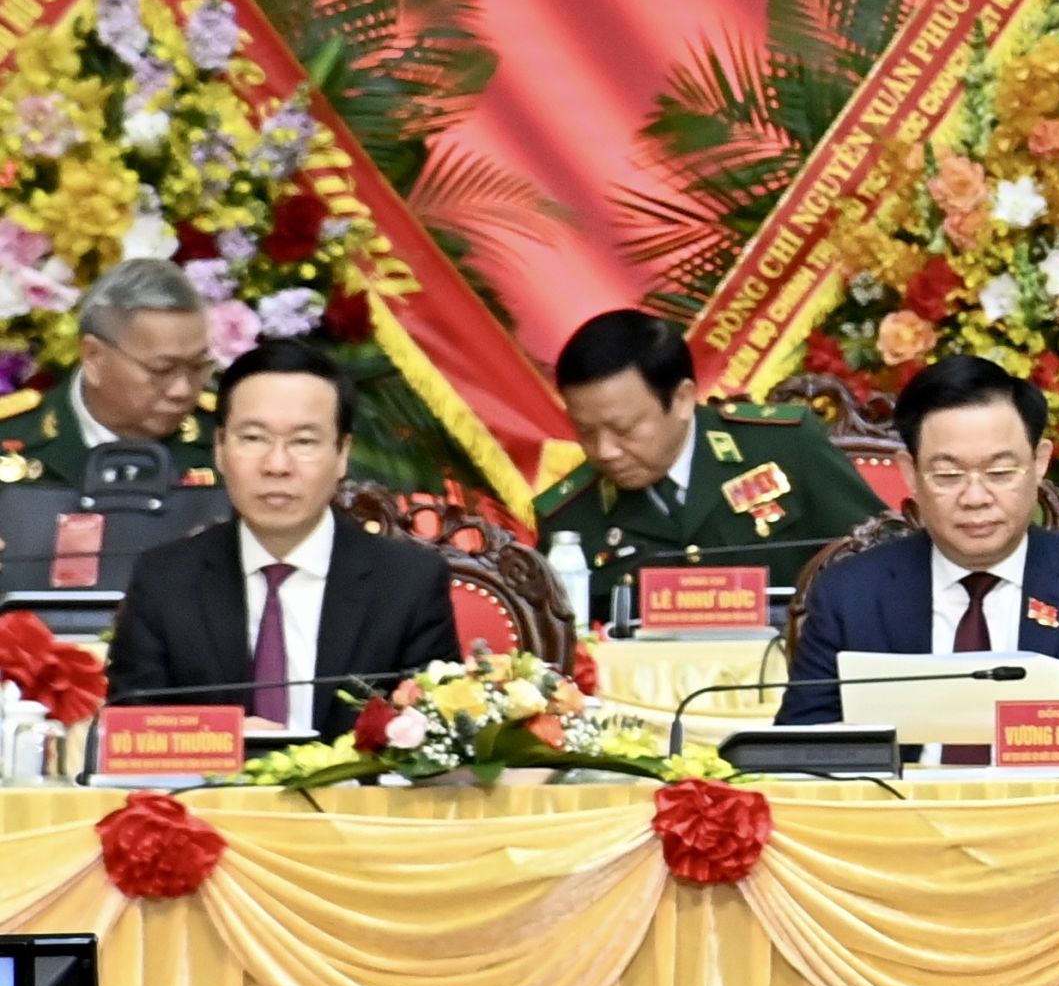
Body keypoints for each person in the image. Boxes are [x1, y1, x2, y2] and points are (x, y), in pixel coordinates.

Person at [779, 356, 1059, 754]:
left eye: (1000, 472)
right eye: (948, 475)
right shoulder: (851, 594)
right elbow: (796, 750)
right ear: (910, 473)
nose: (975, 498)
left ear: (1039, 463)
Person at [103, 338, 457, 739]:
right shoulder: (165, 579)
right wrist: (223, 737)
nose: (276, 465)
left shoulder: (408, 583)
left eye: (304, 442)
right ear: (220, 448)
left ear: (342, 453)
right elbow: (129, 732)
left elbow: (435, 737)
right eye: (254, 438)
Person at [534, 308, 888, 580]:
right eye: (585, 432)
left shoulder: (786, 447)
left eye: (624, 429)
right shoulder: (570, 517)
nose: (604, 451)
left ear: (683, 399)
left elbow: (882, 558)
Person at [0, 259, 217, 487]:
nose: (182, 390)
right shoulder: (12, 436)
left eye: (198, 366)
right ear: (94, 357)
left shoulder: (224, 437)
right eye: (162, 370)